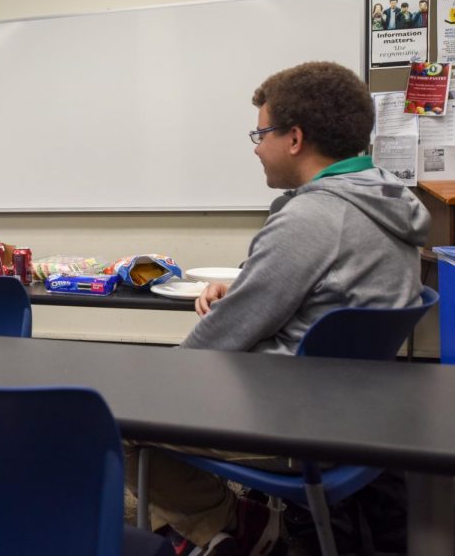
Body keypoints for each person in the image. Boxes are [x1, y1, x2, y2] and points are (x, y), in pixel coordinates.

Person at [127, 62, 429, 556]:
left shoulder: (312, 217)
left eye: (261, 132)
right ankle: (226, 530)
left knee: (119, 417)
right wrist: (247, 288)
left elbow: (224, 336)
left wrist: (161, 382)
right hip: (361, 412)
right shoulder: (385, 196)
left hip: (296, 425)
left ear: (294, 138)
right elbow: (317, 298)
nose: (255, 146)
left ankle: (236, 531)